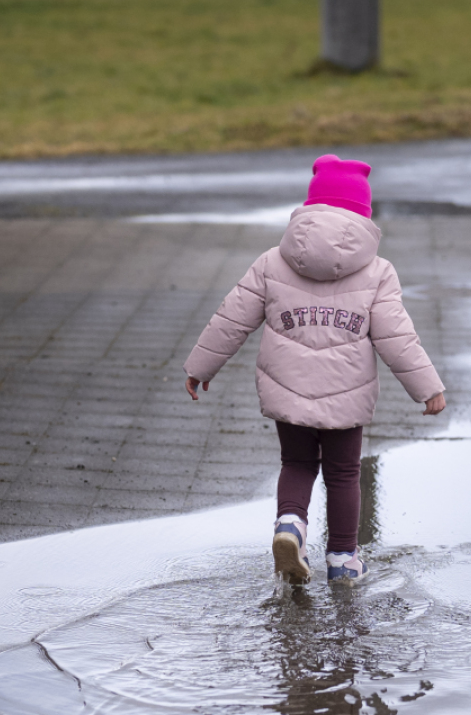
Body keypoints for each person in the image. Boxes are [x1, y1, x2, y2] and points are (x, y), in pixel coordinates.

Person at [183, 154, 445, 585]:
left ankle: (290, 526)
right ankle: (342, 559)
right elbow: (398, 337)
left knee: (297, 463)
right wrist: (427, 388)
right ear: (363, 212)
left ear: (310, 207)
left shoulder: (272, 261)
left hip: (287, 387)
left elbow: (232, 317)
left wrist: (201, 366)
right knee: (343, 473)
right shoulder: (378, 271)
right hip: (347, 392)